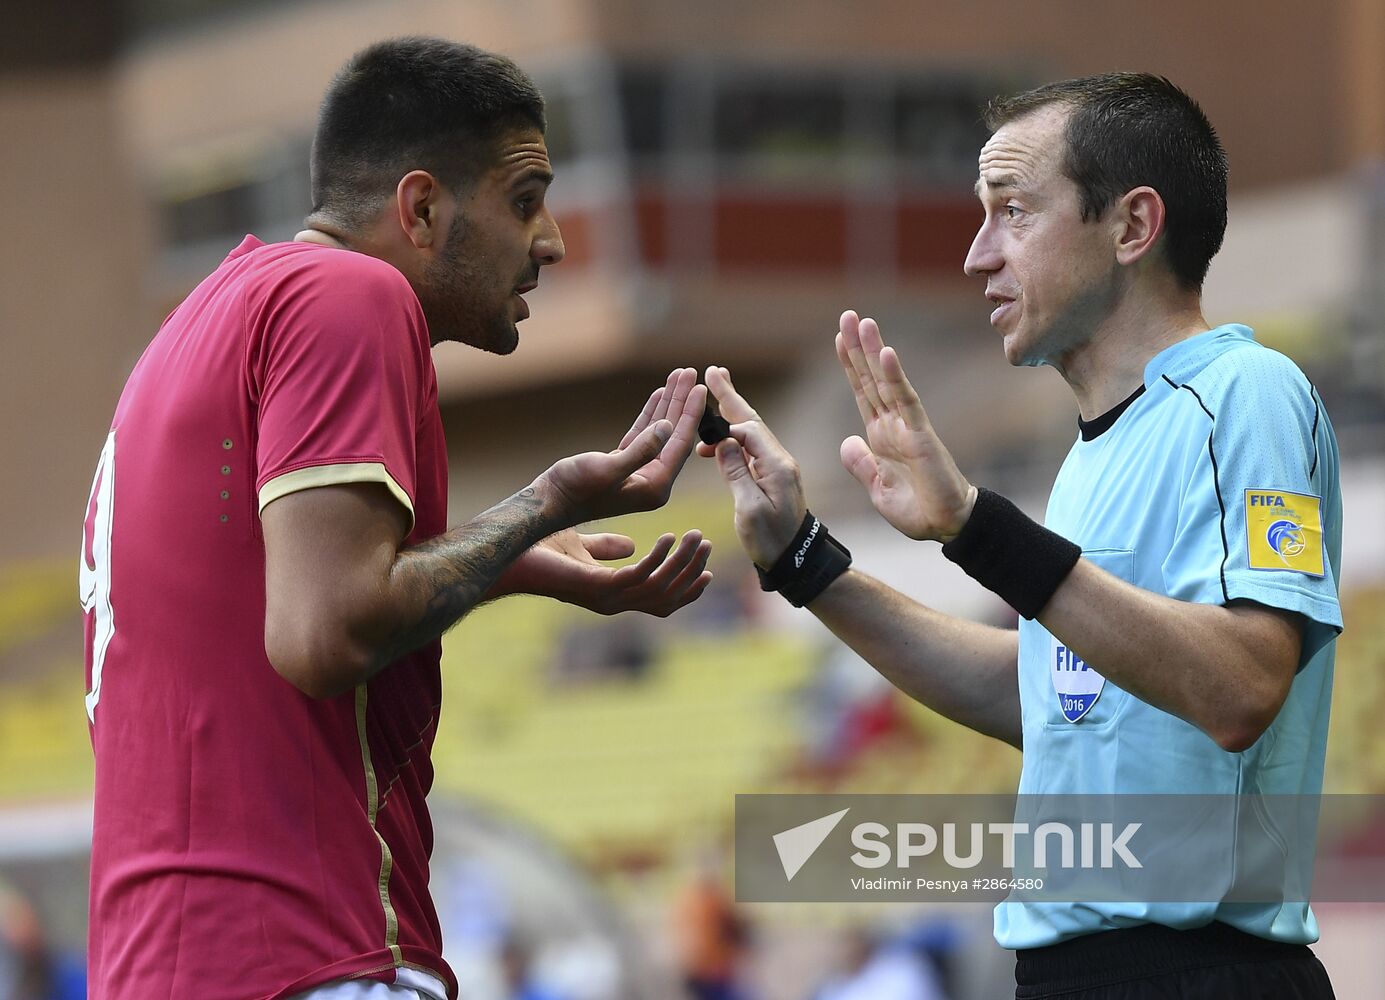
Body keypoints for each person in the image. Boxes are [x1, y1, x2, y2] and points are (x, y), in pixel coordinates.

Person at [79, 37, 713, 1000]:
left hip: (169, 963)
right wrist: (549, 499)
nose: (550, 241)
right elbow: (323, 634)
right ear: (419, 208)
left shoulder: (204, 320)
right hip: (303, 949)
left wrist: (521, 557)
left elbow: (269, 600)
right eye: (525, 199)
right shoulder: (349, 294)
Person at [701, 73, 1341, 998]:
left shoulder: (1245, 392)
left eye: (1011, 211)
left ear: (1130, 227)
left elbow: (1240, 687)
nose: (975, 255)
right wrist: (805, 561)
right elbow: (1043, 698)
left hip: (1197, 972)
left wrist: (975, 529)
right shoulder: (1088, 456)